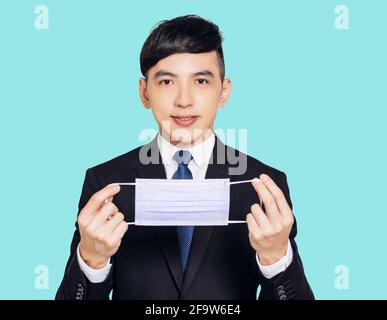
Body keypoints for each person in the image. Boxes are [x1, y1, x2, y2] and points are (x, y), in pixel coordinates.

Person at [56, 15, 314, 300]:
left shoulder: (264, 186)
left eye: (201, 81)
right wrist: (91, 260)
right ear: (145, 92)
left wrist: (277, 258)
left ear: (224, 91)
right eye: (166, 82)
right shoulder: (106, 183)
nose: (184, 100)